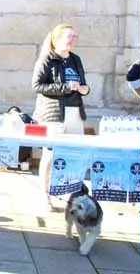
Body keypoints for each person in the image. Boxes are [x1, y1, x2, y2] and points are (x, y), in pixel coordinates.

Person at [32, 23, 88, 197]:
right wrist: (65, 87)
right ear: (56, 40)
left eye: (74, 37)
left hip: (75, 111)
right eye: (69, 37)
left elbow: (83, 82)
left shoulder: (76, 59)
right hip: (54, 113)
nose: (72, 40)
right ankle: (45, 194)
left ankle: (70, 193)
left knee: (74, 154)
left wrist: (85, 89)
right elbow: (37, 85)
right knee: (50, 156)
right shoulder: (47, 59)